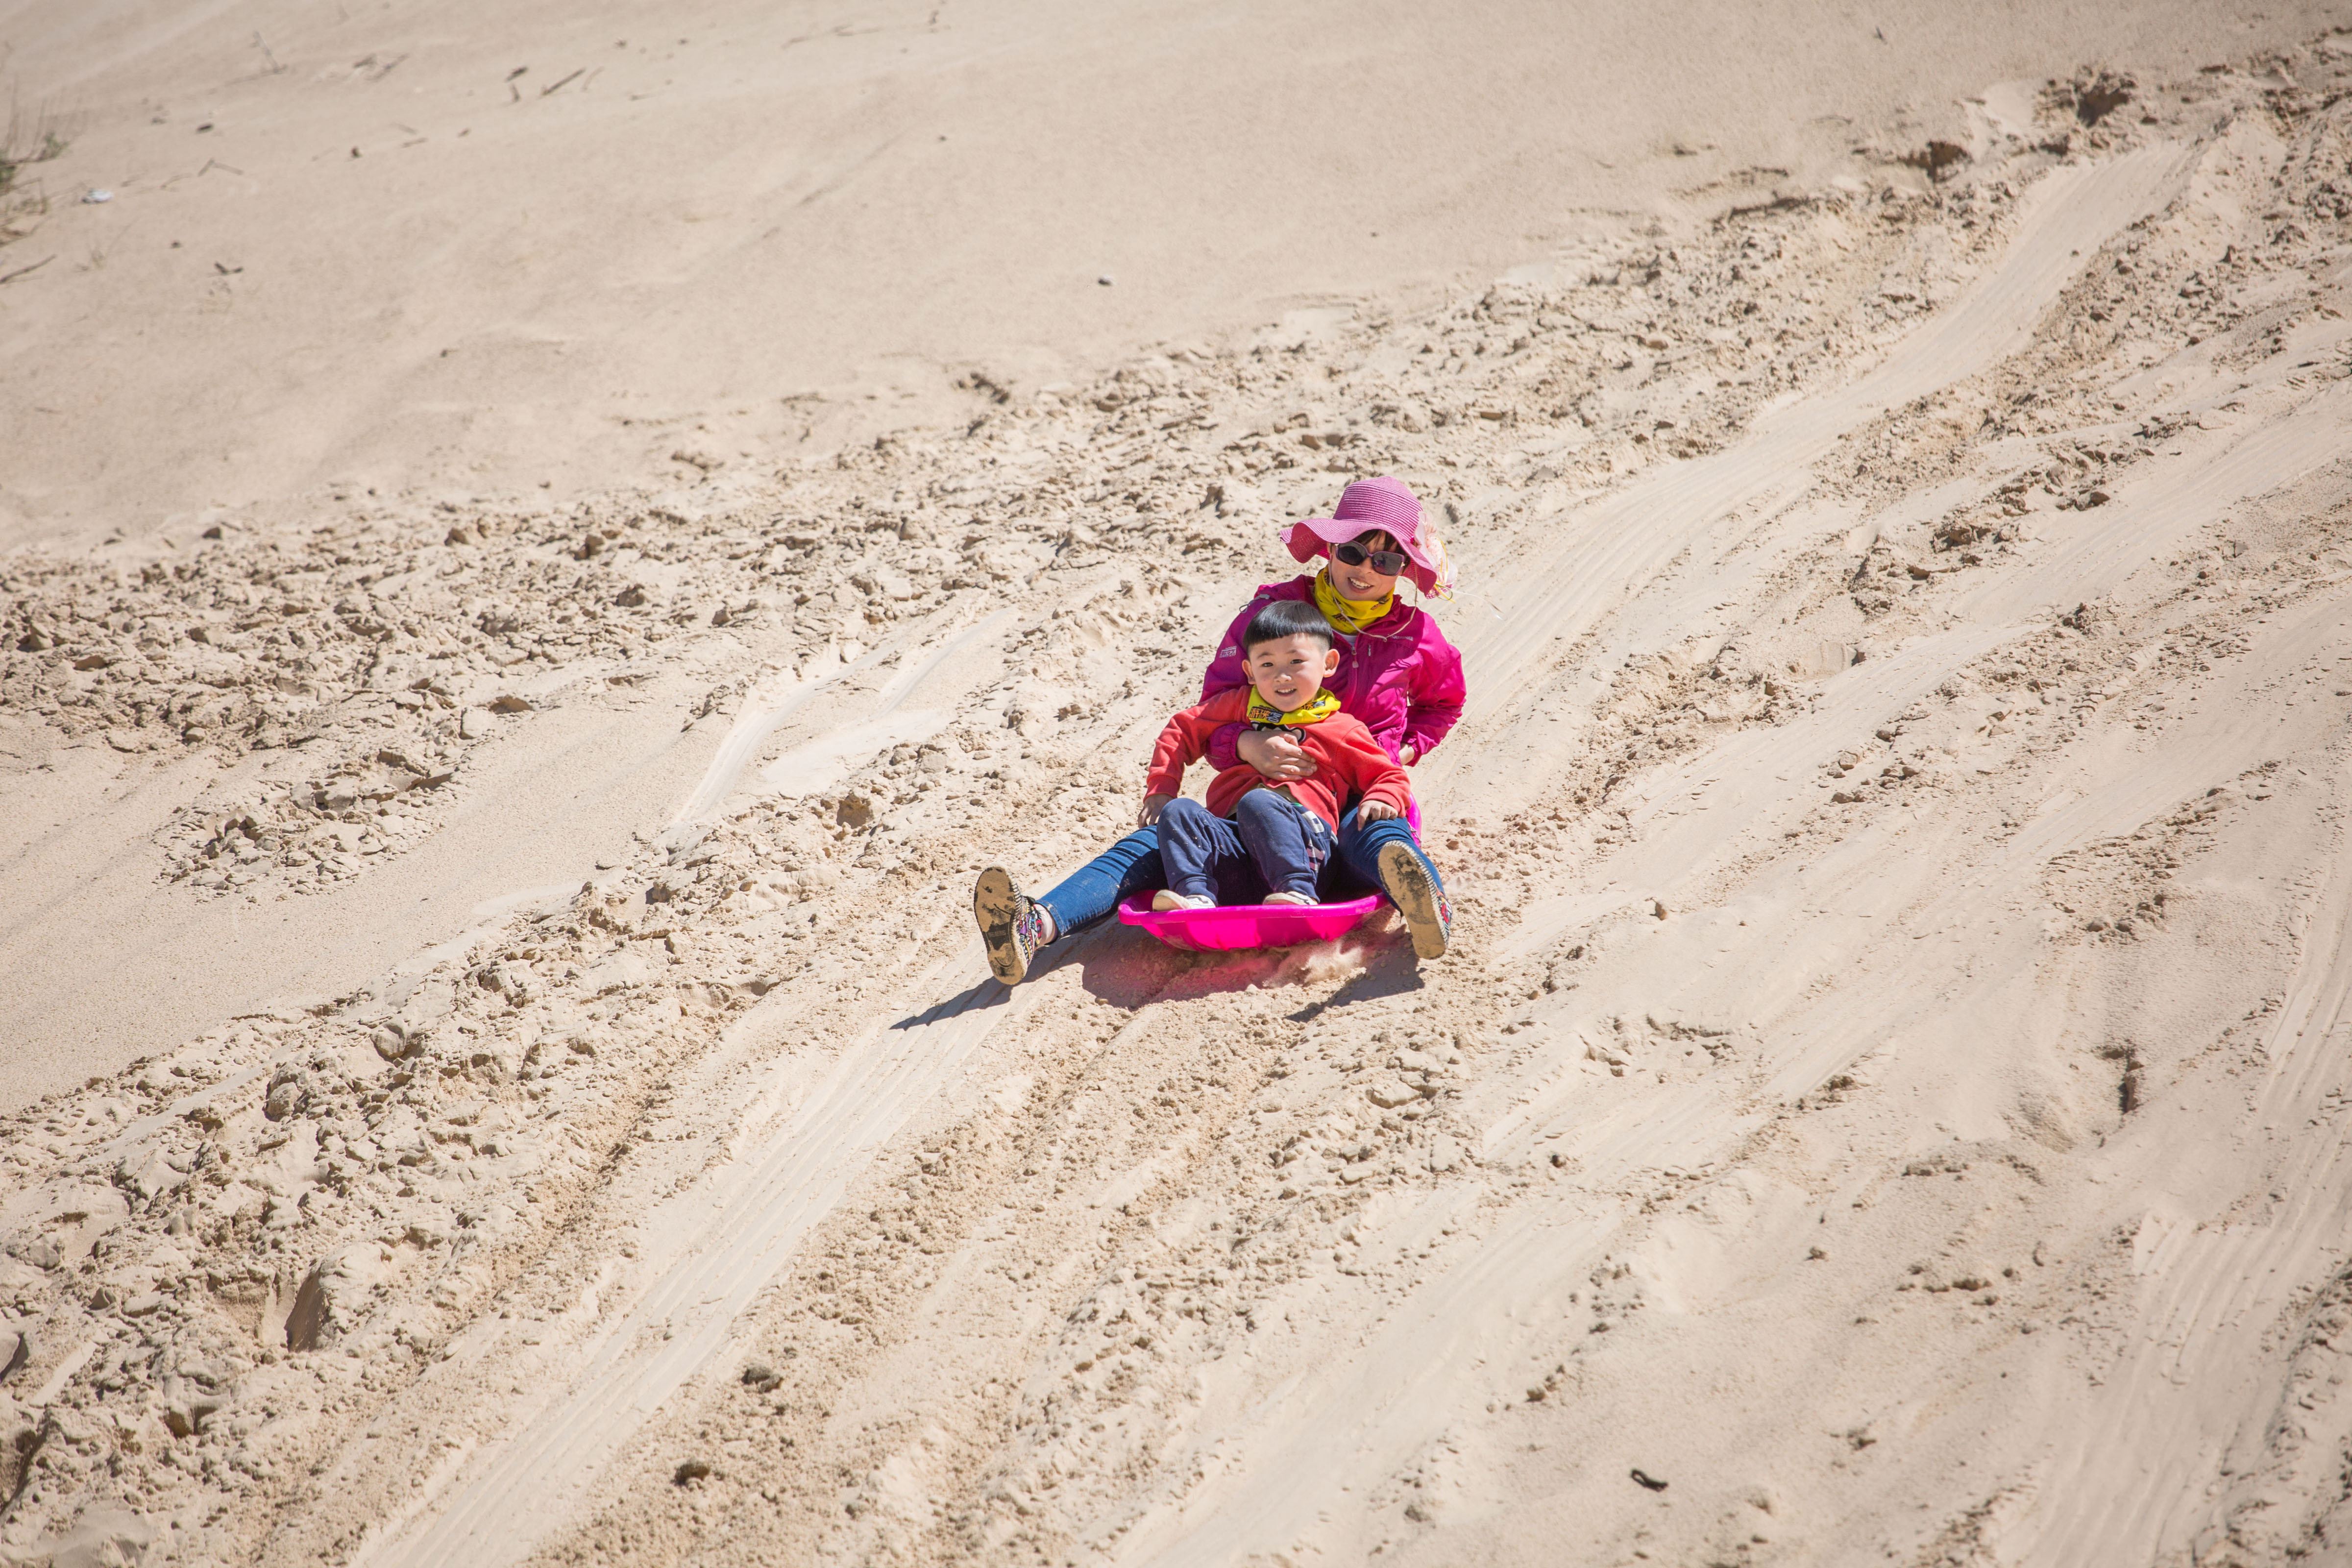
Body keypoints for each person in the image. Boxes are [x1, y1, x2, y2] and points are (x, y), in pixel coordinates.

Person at [974, 474, 1461, 981]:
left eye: (1385, 561)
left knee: (1379, 829)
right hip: (1254, 799)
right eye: (1355, 552)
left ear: (1403, 568)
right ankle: (1037, 923)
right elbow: (1211, 713)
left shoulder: (1415, 635)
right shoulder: (1274, 615)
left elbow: (1445, 702)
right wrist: (1247, 744)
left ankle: (1427, 902)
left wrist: (1395, 754)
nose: (1365, 570)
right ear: (1331, 547)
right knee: (1159, 838)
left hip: (1348, 795)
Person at [1146, 599, 1414, 910]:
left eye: (1296, 663)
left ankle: (1298, 893)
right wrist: (1161, 789)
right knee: (1180, 811)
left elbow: (1389, 774)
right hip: (1238, 851)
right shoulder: (1240, 705)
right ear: (1249, 670)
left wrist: (1382, 797)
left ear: (1328, 663)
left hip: (1307, 849)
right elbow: (1181, 728)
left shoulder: (1341, 728)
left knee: (1258, 802)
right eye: (1267, 665)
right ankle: (1197, 896)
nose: (1281, 676)